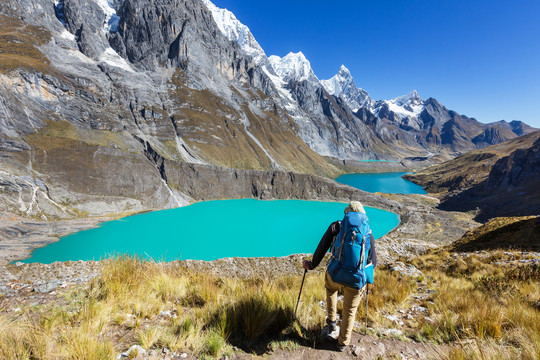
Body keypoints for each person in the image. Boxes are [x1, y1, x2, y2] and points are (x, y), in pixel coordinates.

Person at [302, 201, 377, 352]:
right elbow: (373, 261)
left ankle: (331, 323)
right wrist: (366, 278)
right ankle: (343, 343)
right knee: (350, 310)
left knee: (331, 290)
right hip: (357, 279)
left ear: (347, 213)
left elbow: (322, 247)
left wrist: (311, 265)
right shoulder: (367, 232)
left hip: (335, 273)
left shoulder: (336, 226)